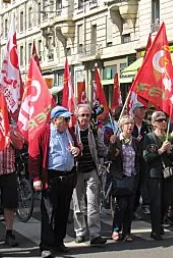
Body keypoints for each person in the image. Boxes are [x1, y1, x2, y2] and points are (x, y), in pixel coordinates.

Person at [29, 106, 80, 258]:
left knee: (64, 211)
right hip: (51, 177)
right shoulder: (43, 133)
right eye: (64, 119)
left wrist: (77, 151)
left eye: (68, 119)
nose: (67, 122)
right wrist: (37, 178)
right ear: (54, 119)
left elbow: (76, 149)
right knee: (49, 212)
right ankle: (46, 245)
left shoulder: (69, 132)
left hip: (68, 176)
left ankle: (59, 241)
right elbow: (34, 157)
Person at [72, 104, 108, 245]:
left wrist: (111, 145)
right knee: (78, 204)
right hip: (77, 171)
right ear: (77, 117)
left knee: (93, 204)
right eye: (82, 115)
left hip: (92, 170)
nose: (85, 118)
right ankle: (80, 232)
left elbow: (101, 149)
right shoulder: (72, 132)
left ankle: (95, 235)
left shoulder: (94, 131)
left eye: (88, 115)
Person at [142, 111, 173, 240]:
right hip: (155, 174)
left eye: (164, 120)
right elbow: (147, 157)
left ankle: (161, 223)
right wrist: (160, 150)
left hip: (167, 174)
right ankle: (155, 229)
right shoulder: (149, 137)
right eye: (160, 120)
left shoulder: (169, 137)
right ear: (153, 123)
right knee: (156, 203)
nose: (163, 122)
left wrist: (168, 152)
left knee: (166, 201)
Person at [107, 115, 140, 242]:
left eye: (131, 123)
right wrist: (112, 144)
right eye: (127, 124)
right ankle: (116, 229)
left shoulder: (135, 142)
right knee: (121, 205)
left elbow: (139, 160)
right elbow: (110, 157)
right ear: (121, 127)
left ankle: (127, 232)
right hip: (120, 178)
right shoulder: (116, 140)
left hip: (132, 177)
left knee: (130, 206)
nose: (130, 126)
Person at [0, 127, 24, 247]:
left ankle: (9, 233)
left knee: (10, 206)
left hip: (9, 173)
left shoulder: (11, 130)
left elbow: (20, 145)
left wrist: (9, 134)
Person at [132, 102, 151, 216]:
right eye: (140, 109)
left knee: (144, 183)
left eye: (144, 109)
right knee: (133, 184)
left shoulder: (146, 126)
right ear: (134, 111)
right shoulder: (129, 125)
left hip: (144, 159)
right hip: (132, 159)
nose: (143, 111)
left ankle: (145, 204)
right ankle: (132, 209)